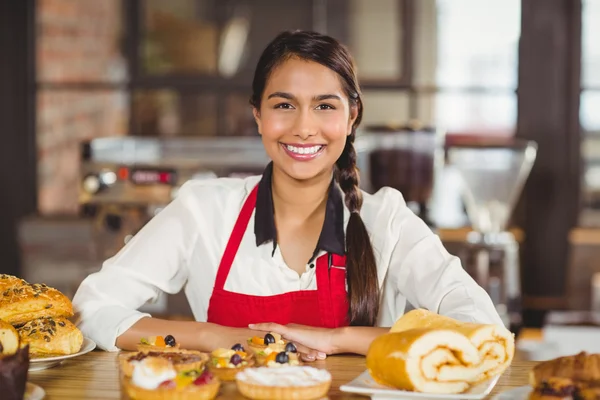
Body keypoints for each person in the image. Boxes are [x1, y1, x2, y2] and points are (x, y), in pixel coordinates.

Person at [72, 30, 503, 361]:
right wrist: (210, 335)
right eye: (283, 105)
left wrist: (341, 339)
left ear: (352, 117)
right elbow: (92, 309)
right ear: (257, 115)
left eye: (324, 106)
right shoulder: (204, 210)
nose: (303, 127)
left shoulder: (385, 220)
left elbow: (485, 333)